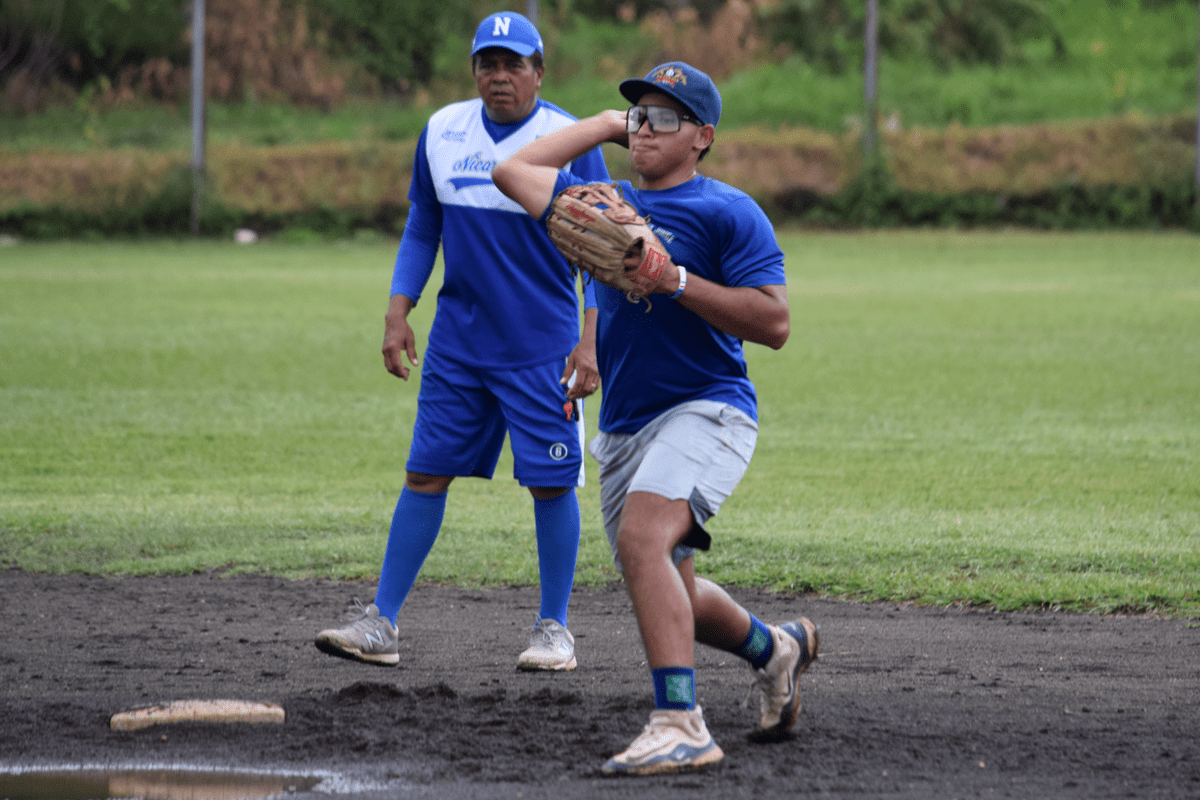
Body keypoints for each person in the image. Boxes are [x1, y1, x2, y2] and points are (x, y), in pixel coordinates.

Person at [493, 62, 818, 774]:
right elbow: (510, 170)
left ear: (703, 136)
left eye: (663, 117)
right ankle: (775, 649)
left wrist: (672, 279)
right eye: (638, 114)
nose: (644, 127)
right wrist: (607, 126)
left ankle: (681, 722)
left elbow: (775, 322)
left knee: (645, 540)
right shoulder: (603, 200)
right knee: (670, 580)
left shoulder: (728, 211)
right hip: (626, 426)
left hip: (709, 410)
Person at [314, 12, 610, 673]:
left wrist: (592, 343)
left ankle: (554, 630)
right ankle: (381, 623)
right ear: (473, 70)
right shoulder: (443, 131)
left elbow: (602, 245)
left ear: (539, 72)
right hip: (457, 346)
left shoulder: (567, 137)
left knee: (550, 483)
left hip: (544, 347)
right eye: (487, 64)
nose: (499, 76)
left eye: (513, 64)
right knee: (424, 474)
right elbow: (424, 224)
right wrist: (398, 312)